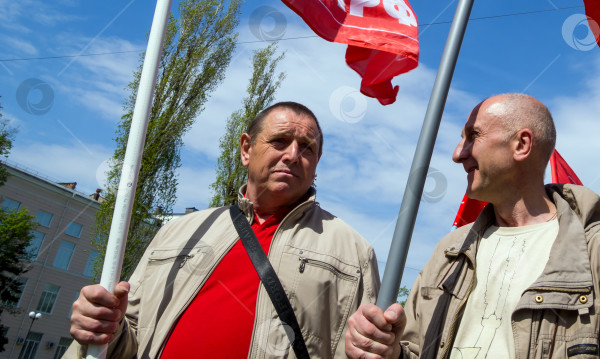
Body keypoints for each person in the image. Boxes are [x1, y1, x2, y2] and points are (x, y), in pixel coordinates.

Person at [346, 93, 600, 359]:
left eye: (473, 136)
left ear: (521, 145)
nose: (458, 154)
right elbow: (413, 350)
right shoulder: (450, 252)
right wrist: (389, 352)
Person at [67, 101, 379, 359]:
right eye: (280, 141)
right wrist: (104, 326)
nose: (293, 155)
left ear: (316, 161)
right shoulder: (180, 232)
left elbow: (364, 351)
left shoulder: (353, 253)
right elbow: (129, 340)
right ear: (246, 149)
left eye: (307, 148)